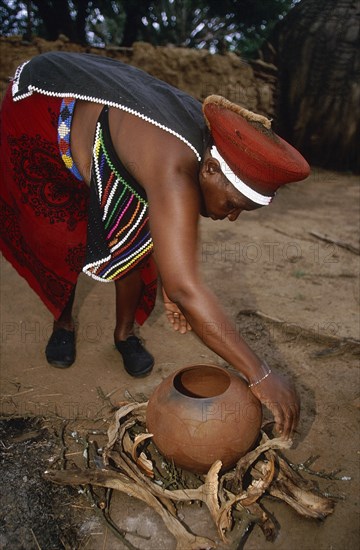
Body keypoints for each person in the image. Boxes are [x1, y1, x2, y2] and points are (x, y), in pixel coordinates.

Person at [0, 51, 310, 440]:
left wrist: (171, 283)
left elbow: (174, 264)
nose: (230, 216)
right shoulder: (173, 167)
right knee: (60, 235)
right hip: (44, 108)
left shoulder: (205, 148)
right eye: (233, 204)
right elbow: (186, 285)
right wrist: (261, 374)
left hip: (110, 131)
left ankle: (124, 335)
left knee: (136, 241)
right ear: (210, 169)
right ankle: (63, 323)